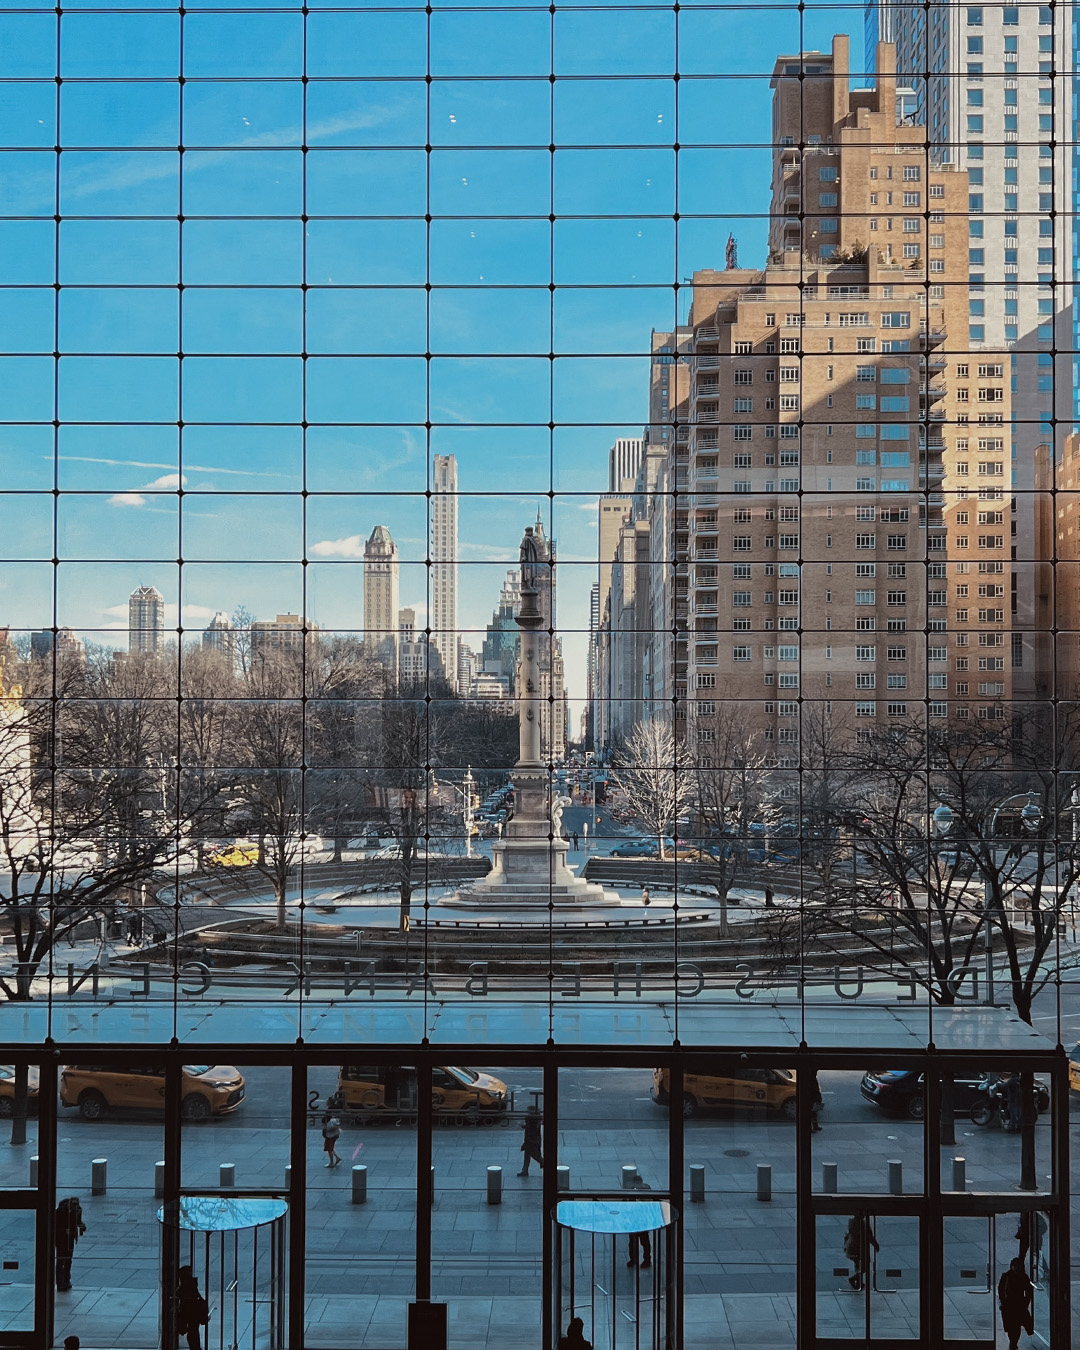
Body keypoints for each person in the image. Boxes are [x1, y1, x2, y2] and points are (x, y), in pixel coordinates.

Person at [998, 1255, 1034, 1350]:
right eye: (1015, 1266)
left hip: (1017, 1304)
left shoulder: (1020, 1276)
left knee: (1015, 1325)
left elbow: (1028, 1291)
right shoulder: (1007, 1276)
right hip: (1010, 1304)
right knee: (1013, 1326)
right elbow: (1001, 1290)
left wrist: (1026, 1302)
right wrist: (1003, 1302)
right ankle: (1013, 1343)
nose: (1016, 1268)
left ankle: (1013, 1343)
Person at [54, 1196, 86, 1292]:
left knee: (68, 1260)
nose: (74, 1209)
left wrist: (82, 1227)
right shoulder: (60, 1211)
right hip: (60, 1239)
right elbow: (54, 1225)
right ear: (69, 1205)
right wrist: (64, 1231)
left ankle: (66, 1281)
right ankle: (60, 1283)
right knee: (60, 1260)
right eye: (73, 1206)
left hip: (70, 1238)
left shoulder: (78, 1210)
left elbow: (78, 1222)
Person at [176, 1265, 210, 1350]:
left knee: (192, 1332)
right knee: (193, 1331)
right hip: (194, 1311)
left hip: (188, 1311)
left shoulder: (184, 1287)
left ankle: (195, 1347)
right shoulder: (192, 1284)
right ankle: (195, 1347)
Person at [843, 1212, 879, 1292]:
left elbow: (848, 1234)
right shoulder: (863, 1224)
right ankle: (854, 1279)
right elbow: (869, 1237)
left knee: (858, 1265)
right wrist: (876, 1245)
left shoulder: (851, 1222)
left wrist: (845, 1245)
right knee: (864, 1266)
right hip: (860, 1248)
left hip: (852, 1247)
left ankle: (859, 1283)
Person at [518, 1104, 543, 1177]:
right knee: (527, 1155)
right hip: (533, 1140)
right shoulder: (536, 1119)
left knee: (534, 1155)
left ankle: (544, 1163)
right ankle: (524, 1170)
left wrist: (524, 1126)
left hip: (531, 1140)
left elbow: (530, 1129)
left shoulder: (531, 1119)